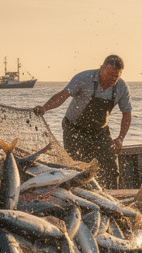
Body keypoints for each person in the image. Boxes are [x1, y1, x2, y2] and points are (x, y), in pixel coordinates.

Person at [32, 55, 133, 188]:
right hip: (74, 129)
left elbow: (126, 114)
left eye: (116, 76)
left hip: (100, 132)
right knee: (75, 167)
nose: (112, 79)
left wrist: (120, 138)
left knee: (111, 168)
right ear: (101, 69)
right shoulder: (84, 78)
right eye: (109, 75)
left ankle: (112, 197)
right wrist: (45, 108)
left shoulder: (121, 87)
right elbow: (63, 95)